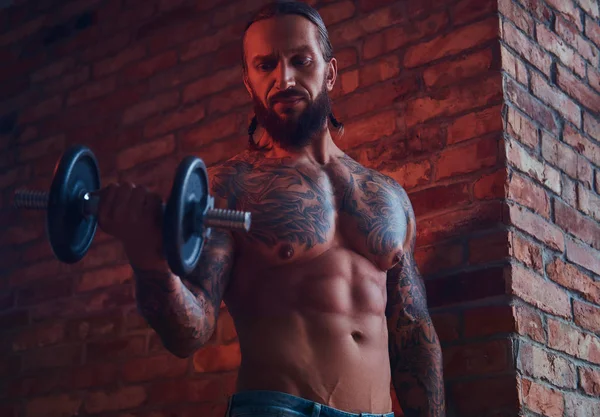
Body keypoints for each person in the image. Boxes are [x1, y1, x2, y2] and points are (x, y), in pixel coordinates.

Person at [97, 1, 445, 416]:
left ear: (329, 72)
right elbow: (191, 331)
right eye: (265, 66)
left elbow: (413, 331)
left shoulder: (387, 194)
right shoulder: (227, 187)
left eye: (301, 60)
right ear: (249, 82)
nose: (284, 78)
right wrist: (150, 262)